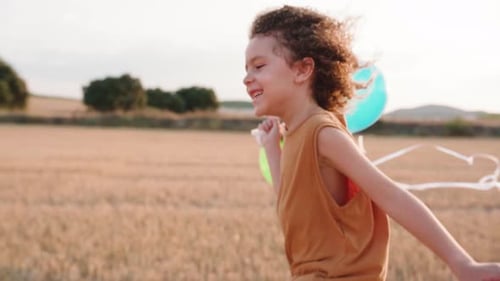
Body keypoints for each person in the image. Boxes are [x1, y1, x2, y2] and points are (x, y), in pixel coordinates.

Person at [243, 5, 500, 281]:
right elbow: (291, 208)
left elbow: (391, 195)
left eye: (258, 66)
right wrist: (272, 149)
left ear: (303, 69)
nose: (247, 78)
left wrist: (462, 264)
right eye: (246, 69)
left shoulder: (323, 133)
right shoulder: (295, 134)